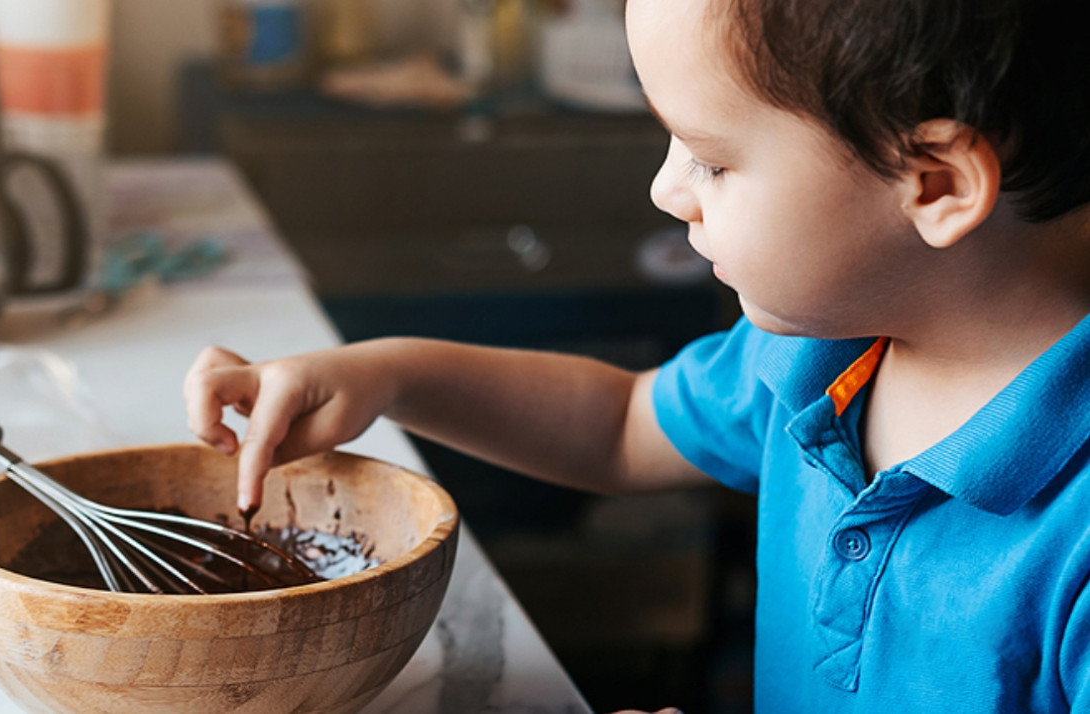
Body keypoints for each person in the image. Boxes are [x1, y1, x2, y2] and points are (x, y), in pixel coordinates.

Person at [184, 0, 1090, 709]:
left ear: (933, 183)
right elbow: (617, 425)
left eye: (711, 159)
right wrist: (384, 375)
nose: (667, 189)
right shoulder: (831, 356)